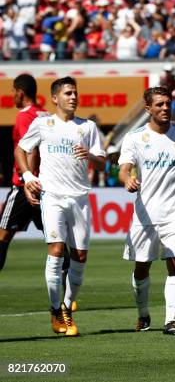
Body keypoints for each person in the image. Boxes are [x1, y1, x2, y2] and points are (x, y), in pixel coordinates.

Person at [15, 77, 106, 336]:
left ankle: (67, 306)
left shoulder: (87, 127)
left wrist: (89, 155)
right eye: (67, 93)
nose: (73, 97)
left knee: (80, 257)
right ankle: (56, 310)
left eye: (75, 93)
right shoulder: (43, 124)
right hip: (53, 196)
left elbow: (103, 163)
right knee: (56, 250)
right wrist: (28, 177)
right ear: (55, 98)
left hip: (79, 199)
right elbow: (21, 150)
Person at [118, 86, 175, 336]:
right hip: (146, 213)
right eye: (159, 104)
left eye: (167, 103)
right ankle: (143, 313)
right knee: (142, 267)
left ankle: (171, 321)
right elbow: (124, 168)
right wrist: (128, 179)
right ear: (148, 108)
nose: (165, 108)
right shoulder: (135, 138)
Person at [0, 75, 48, 271]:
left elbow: (31, 149)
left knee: (2, 236)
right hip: (44, 186)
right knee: (55, 239)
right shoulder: (44, 115)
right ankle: (68, 293)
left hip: (24, 187)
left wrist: (27, 179)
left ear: (20, 92)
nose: (12, 95)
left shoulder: (24, 116)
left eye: (13, 91)